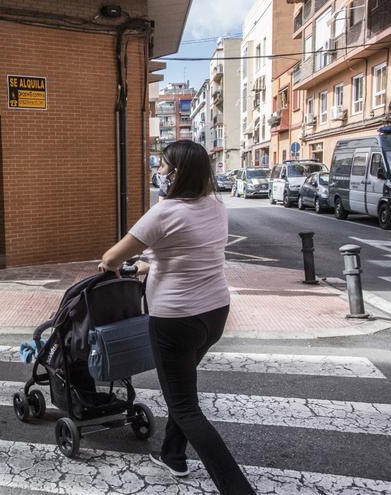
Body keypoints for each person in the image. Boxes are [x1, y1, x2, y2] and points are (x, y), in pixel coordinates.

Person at [98, 140, 255, 494]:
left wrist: (113, 264)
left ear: (177, 172)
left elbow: (111, 258)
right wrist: (150, 266)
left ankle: (236, 488)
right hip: (214, 313)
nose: (159, 170)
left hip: (175, 320)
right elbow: (187, 253)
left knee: (184, 405)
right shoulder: (215, 205)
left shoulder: (164, 213)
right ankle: (173, 455)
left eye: (163, 165)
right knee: (181, 388)